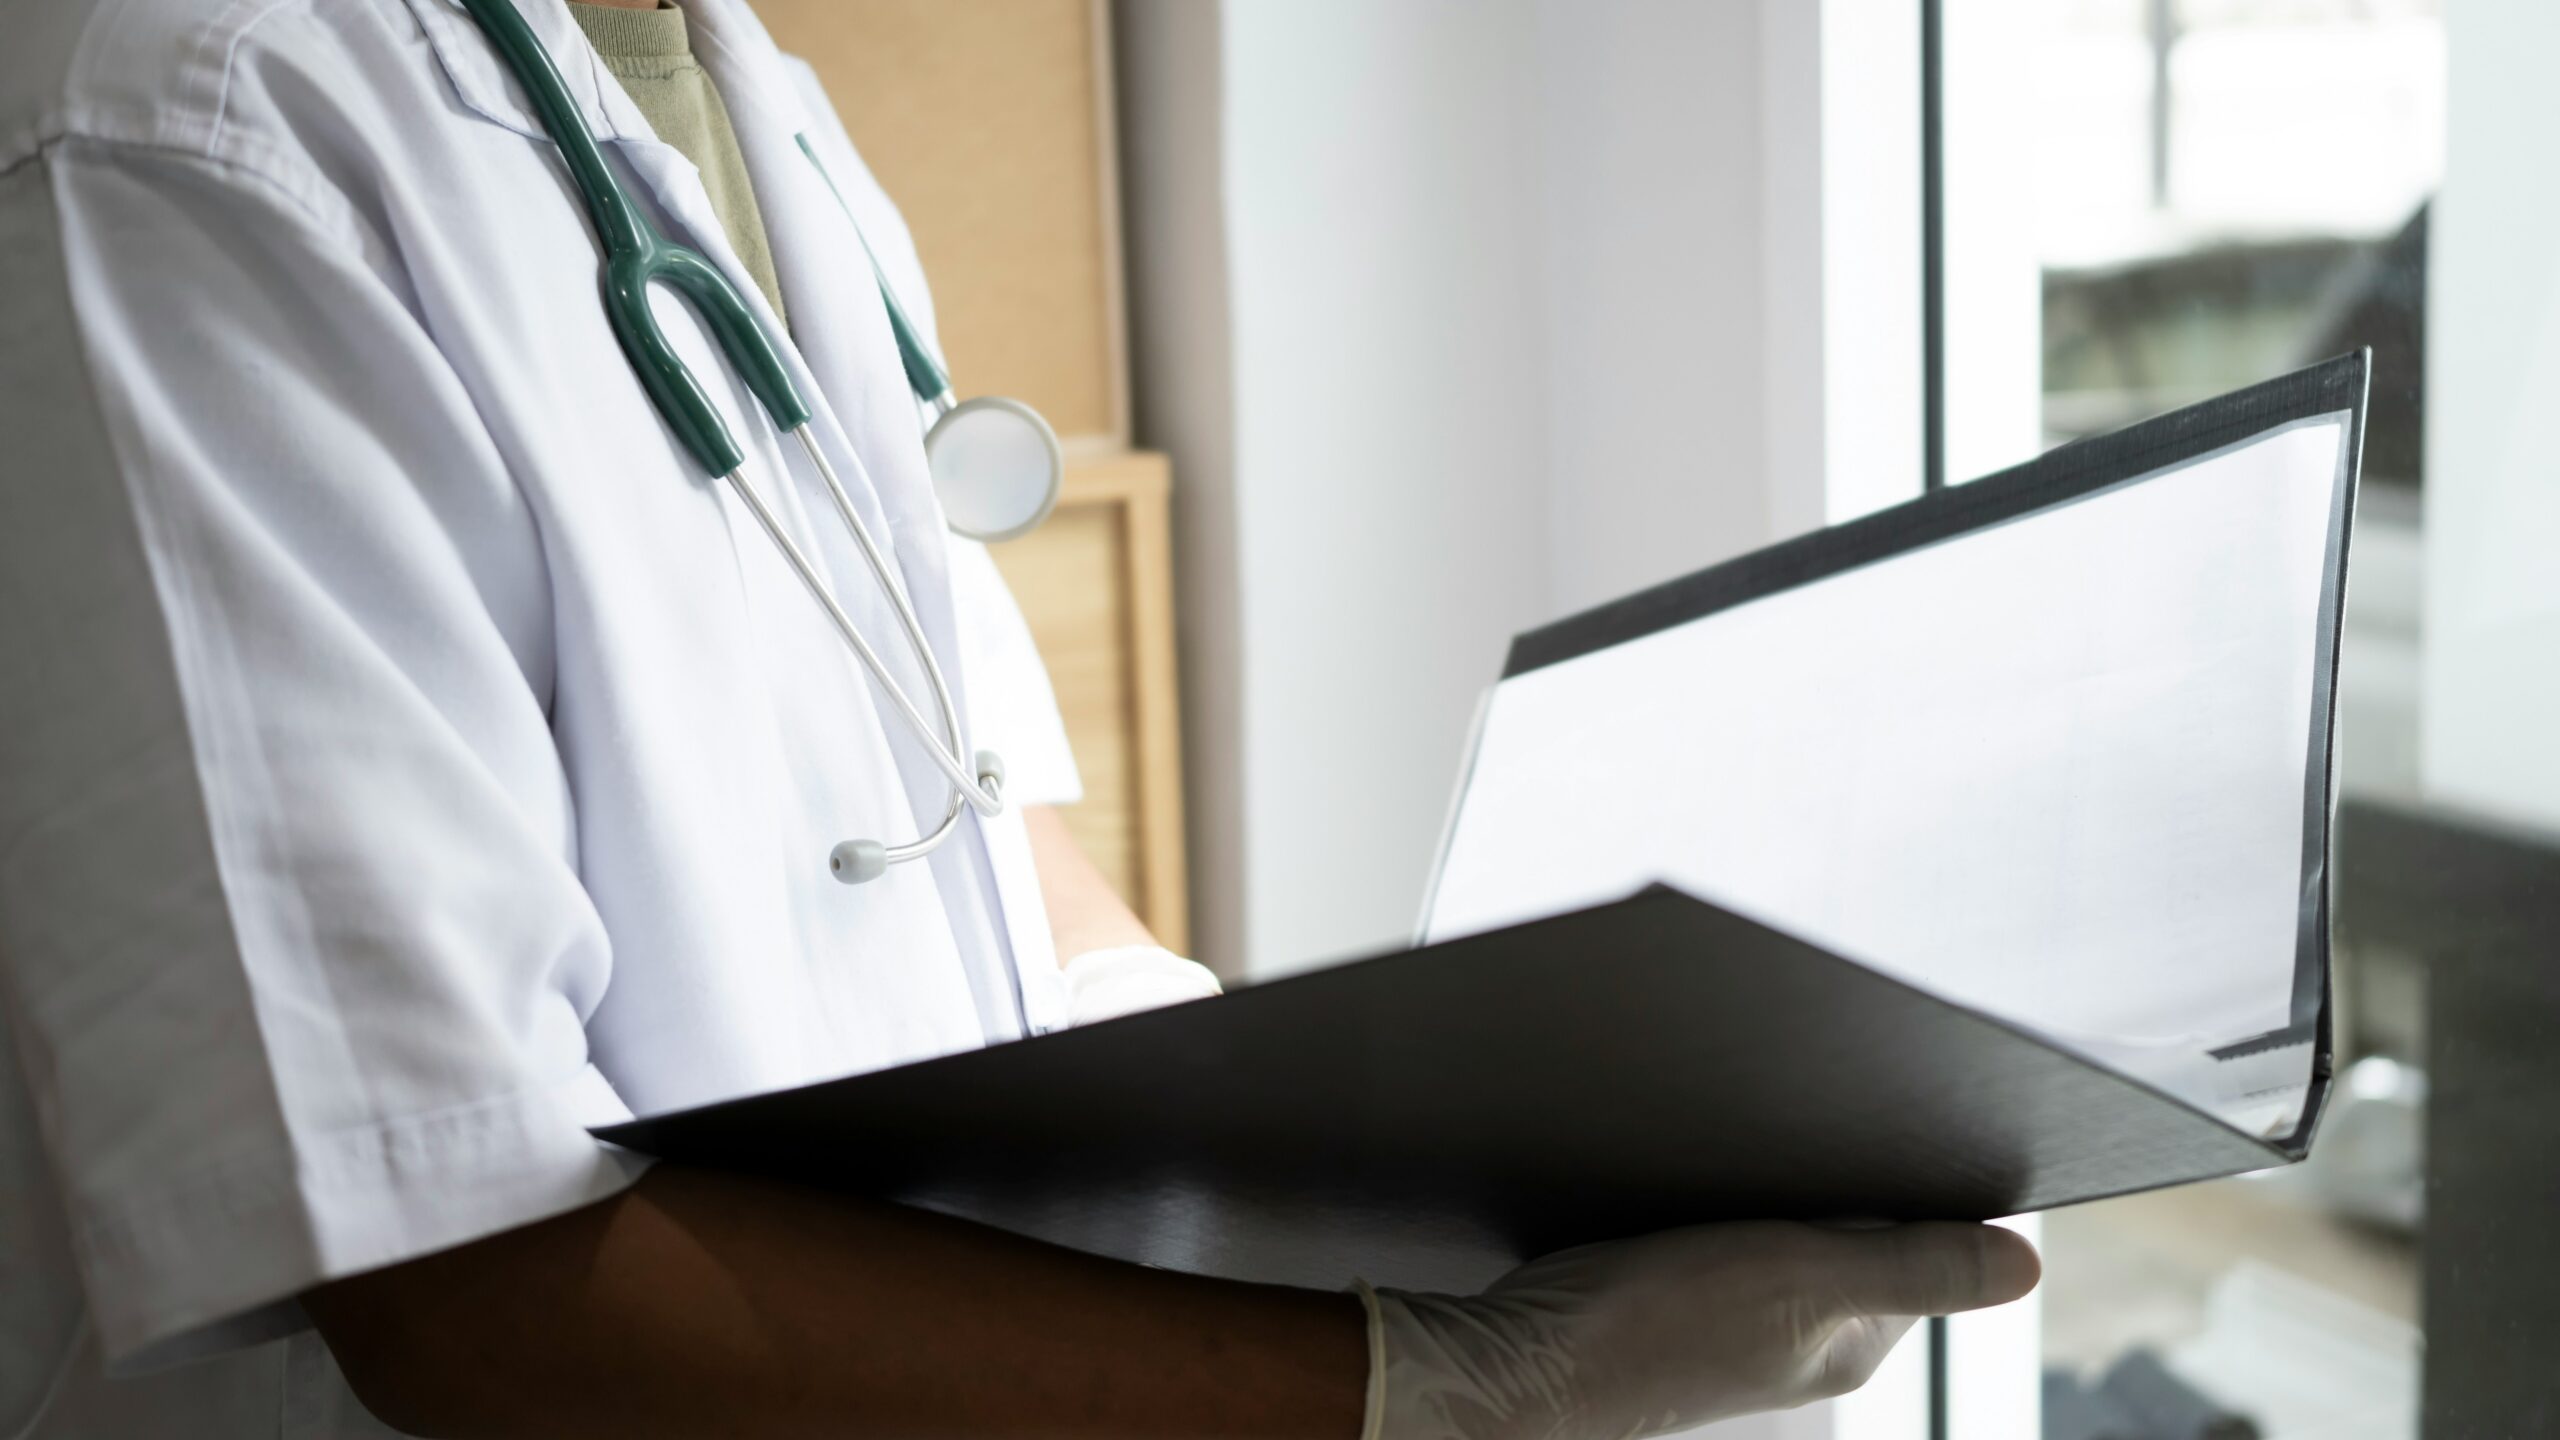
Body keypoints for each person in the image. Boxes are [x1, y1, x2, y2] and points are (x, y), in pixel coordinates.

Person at [0, 0, 2041, 1434]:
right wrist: (1432, 1393)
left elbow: (971, 807)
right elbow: (460, 1277)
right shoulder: (182, 123)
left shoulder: (741, 92)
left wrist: (1347, 1152)